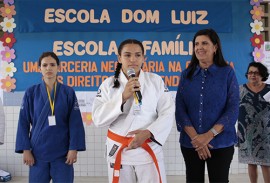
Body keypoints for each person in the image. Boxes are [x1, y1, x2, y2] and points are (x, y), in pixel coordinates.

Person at [92, 39, 175, 183]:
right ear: (119, 58)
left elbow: (167, 112)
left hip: (148, 147)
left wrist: (148, 133)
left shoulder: (155, 81)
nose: (133, 60)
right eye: (127, 55)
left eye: (137, 55)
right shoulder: (108, 85)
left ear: (144, 58)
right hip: (119, 149)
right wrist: (123, 97)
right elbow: (98, 119)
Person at [175, 28, 239, 183]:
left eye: (204, 43)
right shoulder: (186, 75)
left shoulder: (227, 73)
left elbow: (233, 108)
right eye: (196, 44)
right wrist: (197, 138)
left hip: (221, 143)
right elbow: (180, 108)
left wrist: (208, 136)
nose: (199, 47)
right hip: (191, 143)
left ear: (215, 47)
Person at [15, 52, 86, 183]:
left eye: (52, 65)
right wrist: (26, 150)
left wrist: (73, 148)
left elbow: (75, 123)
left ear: (59, 67)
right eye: (45, 65)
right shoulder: (31, 92)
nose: (48, 68)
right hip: (37, 154)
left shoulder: (68, 92)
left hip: (63, 153)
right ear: (39, 68)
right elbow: (23, 122)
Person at [238, 62, 270, 183]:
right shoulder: (240, 90)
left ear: (262, 74)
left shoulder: (269, 89)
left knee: (266, 163)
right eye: (250, 72)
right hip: (247, 134)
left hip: (266, 133)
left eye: (256, 73)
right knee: (251, 163)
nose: (252, 75)